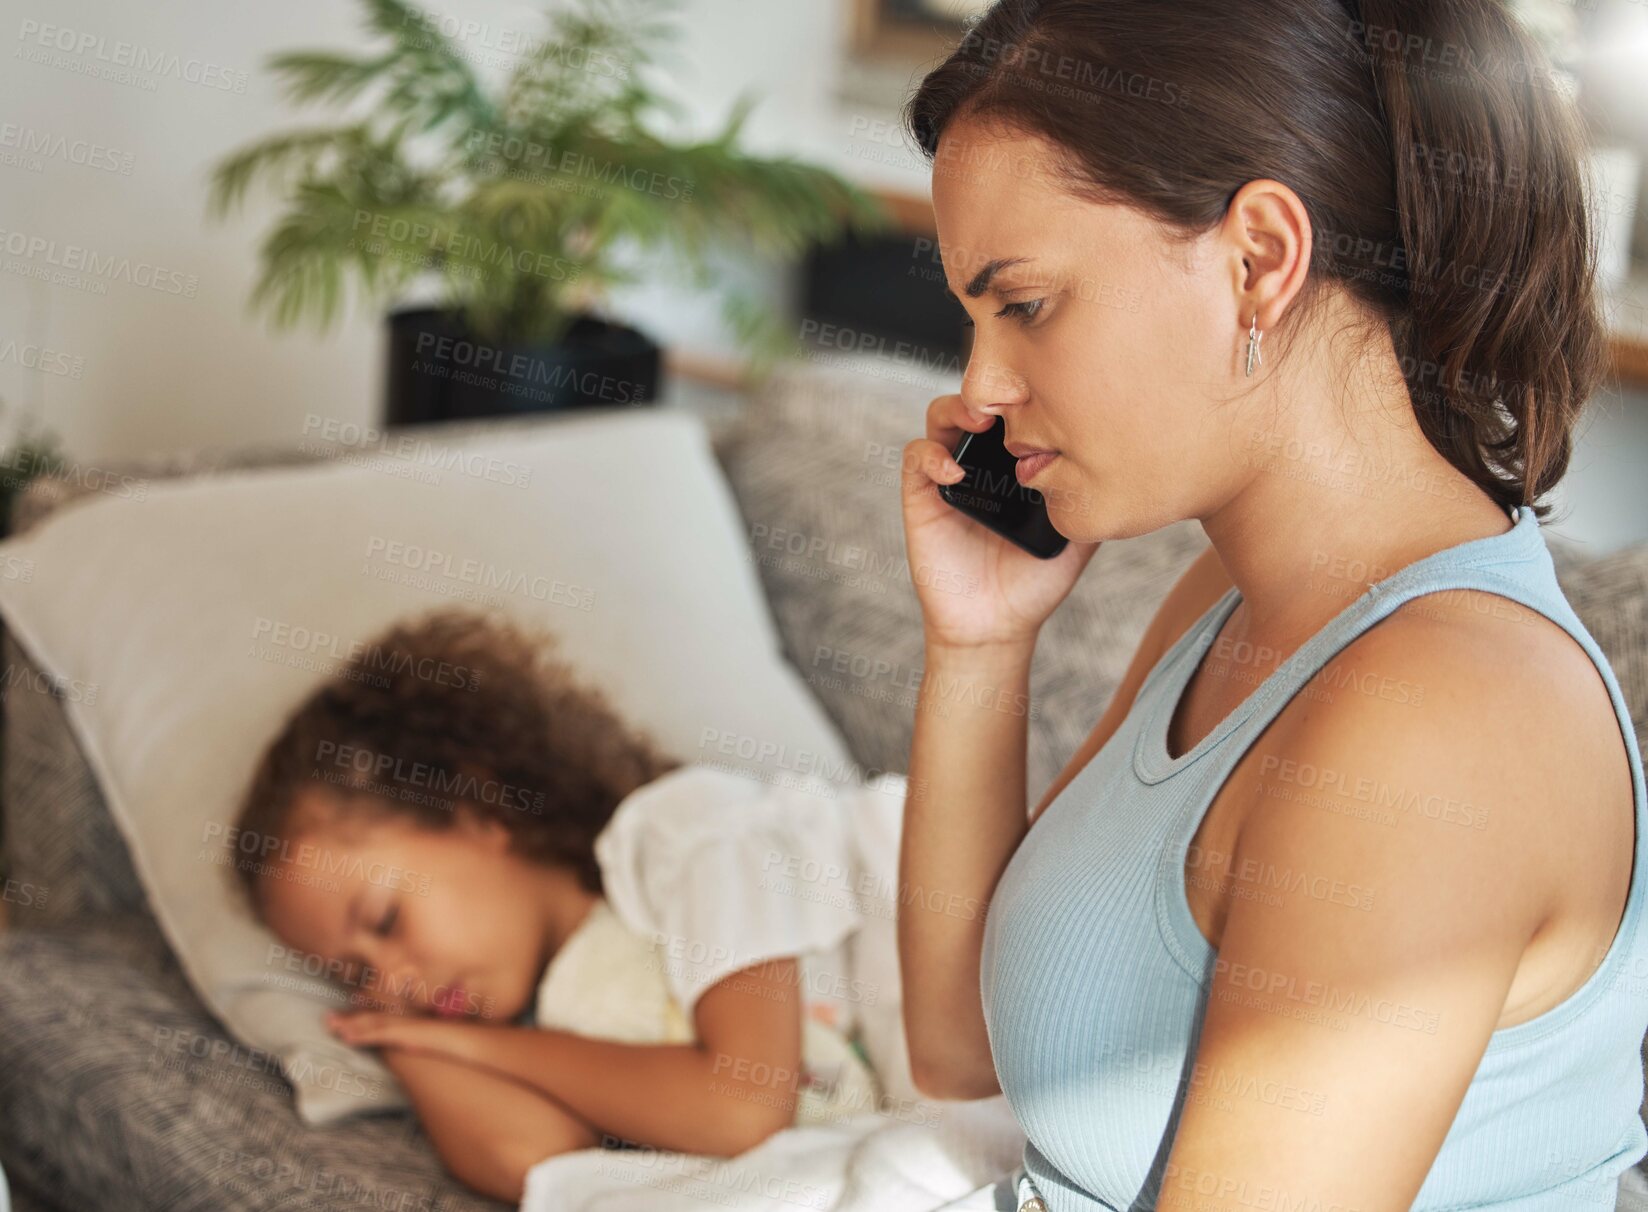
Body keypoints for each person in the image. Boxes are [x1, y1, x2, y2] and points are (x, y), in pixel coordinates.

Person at [895, 1, 1647, 1209]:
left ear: (1258, 259)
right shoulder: (1234, 600)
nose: (980, 387)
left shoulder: (1445, 720)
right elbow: (958, 1054)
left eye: (1023, 304)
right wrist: (977, 644)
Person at [226, 607, 880, 1203]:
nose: (393, 985)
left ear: (478, 808)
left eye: (386, 920)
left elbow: (740, 1109)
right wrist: (409, 1043)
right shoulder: (553, 1024)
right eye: (356, 976)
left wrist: (472, 1046)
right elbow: (540, 1164)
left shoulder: (687, 836)